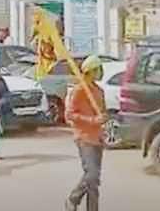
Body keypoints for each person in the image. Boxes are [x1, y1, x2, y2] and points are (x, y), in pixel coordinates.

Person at [64, 55, 107, 211]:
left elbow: (102, 112)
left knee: (94, 181)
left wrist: (103, 119)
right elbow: (69, 115)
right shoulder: (79, 90)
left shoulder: (98, 91)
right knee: (92, 175)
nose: (101, 72)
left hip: (98, 138)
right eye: (98, 69)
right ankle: (73, 198)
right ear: (91, 71)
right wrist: (91, 120)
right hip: (84, 137)